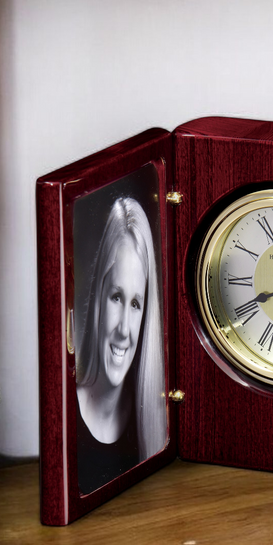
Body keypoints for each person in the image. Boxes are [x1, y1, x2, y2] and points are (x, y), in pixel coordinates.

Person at [75, 196, 166, 493]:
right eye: (116, 297)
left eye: (136, 304)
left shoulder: (155, 424)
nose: (124, 329)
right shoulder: (64, 417)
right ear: (99, 295)